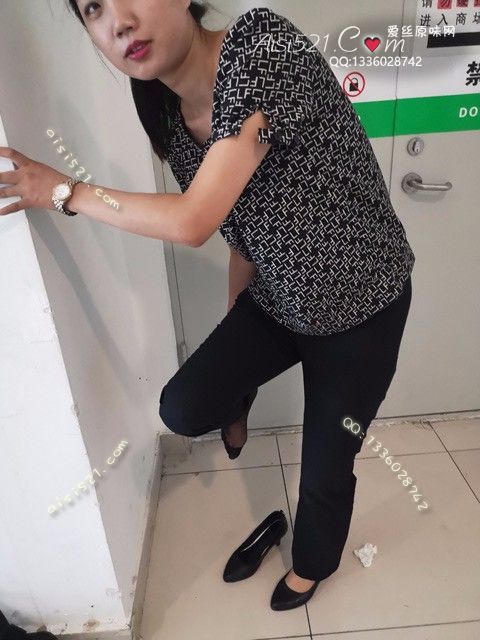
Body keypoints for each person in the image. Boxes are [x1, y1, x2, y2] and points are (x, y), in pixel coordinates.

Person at [0, 1, 415, 610]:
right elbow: (237, 231)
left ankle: (311, 566)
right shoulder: (171, 122)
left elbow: (193, 220)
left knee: (328, 464)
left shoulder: (262, 47)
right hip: (279, 300)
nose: (117, 21)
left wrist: (64, 190)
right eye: (93, 9)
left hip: (363, 307)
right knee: (185, 406)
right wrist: (236, 344)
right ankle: (239, 399)